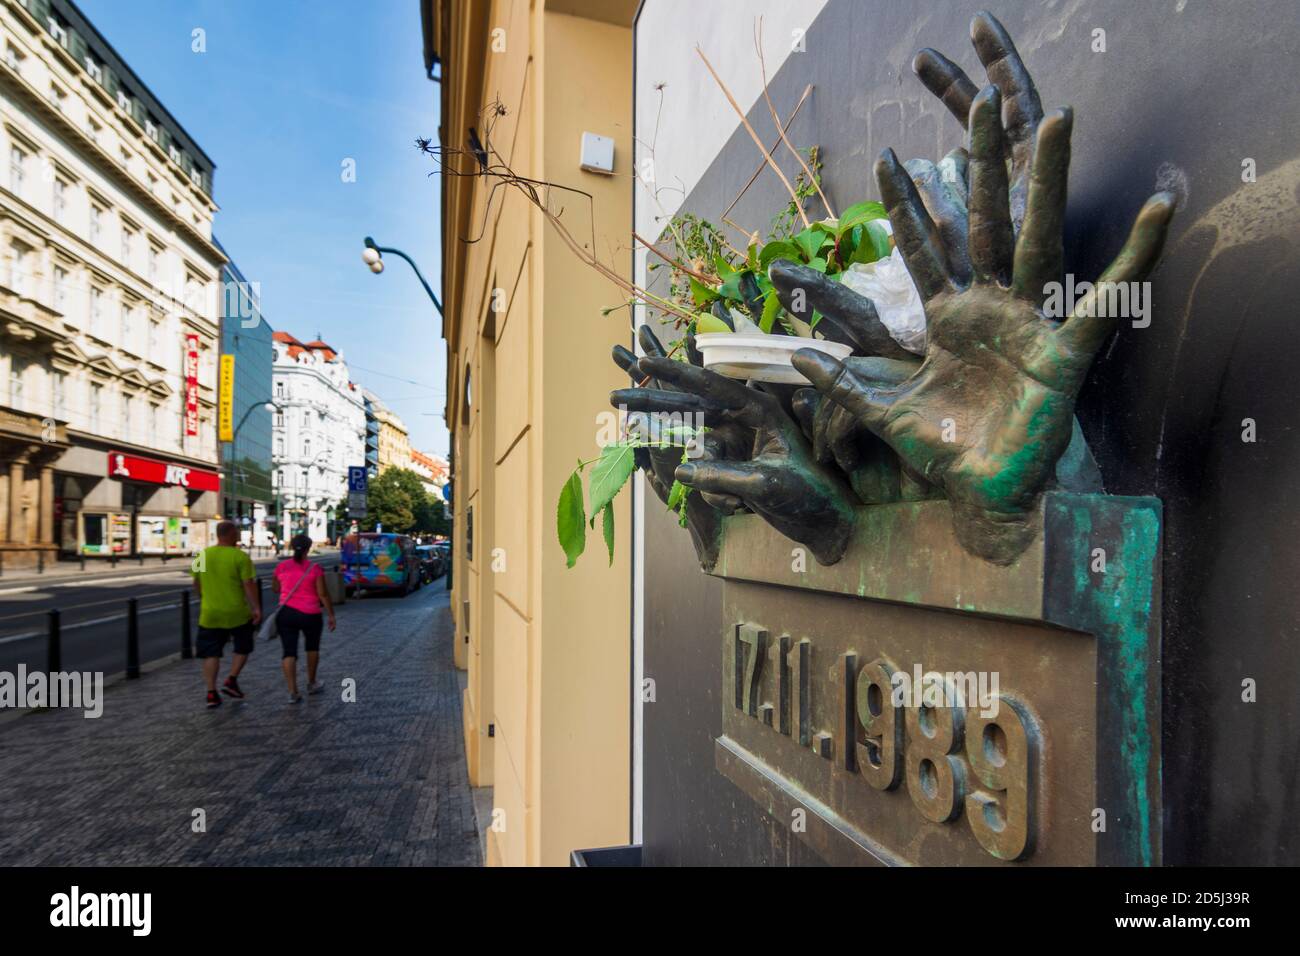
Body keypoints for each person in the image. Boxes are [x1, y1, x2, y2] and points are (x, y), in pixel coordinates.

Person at [192, 520, 261, 709]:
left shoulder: (201, 555)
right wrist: (256, 607)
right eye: (237, 533)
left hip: (210, 613)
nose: (238, 536)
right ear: (231, 534)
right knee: (243, 647)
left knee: (210, 653)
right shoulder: (240, 557)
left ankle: (211, 693)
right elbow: (248, 584)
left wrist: (204, 598)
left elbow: (196, 583)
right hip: (236, 612)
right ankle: (231, 679)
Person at [271, 533, 336, 703]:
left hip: (286, 614)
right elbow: (322, 594)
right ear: (308, 548)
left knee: (288, 652)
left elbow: (276, 589)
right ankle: (312, 682)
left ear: (292, 547)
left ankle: (293, 691)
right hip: (310, 614)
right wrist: (331, 615)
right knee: (312, 648)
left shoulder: (281, 567)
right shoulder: (314, 569)